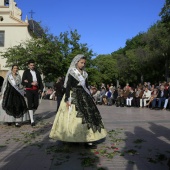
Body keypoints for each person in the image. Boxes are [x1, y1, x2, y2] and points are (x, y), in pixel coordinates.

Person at [50, 54, 107, 148]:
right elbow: (68, 86)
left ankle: (89, 140)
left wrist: (91, 97)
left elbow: (87, 86)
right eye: (81, 62)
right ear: (77, 62)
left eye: (84, 63)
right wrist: (67, 98)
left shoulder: (85, 74)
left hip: (84, 96)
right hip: (74, 95)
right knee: (73, 118)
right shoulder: (72, 72)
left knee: (88, 116)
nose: (83, 64)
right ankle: (70, 138)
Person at [22, 59, 44, 126]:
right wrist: (31, 83)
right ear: (28, 65)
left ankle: (30, 115)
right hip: (29, 89)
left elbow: (40, 81)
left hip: (36, 90)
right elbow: (23, 81)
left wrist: (41, 90)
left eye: (33, 65)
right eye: (31, 65)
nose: (32, 66)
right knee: (30, 103)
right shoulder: (26, 72)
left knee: (36, 104)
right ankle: (32, 120)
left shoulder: (37, 72)